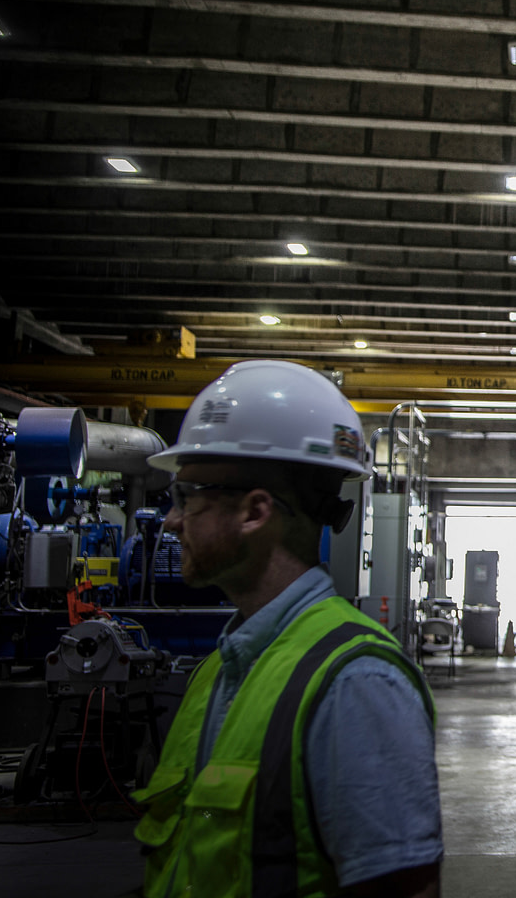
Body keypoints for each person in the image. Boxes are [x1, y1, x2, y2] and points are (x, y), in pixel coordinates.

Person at [133, 360, 443, 898]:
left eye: (186, 497)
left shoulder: (355, 683)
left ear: (255, 511)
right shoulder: (221, 669)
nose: (171, 521)